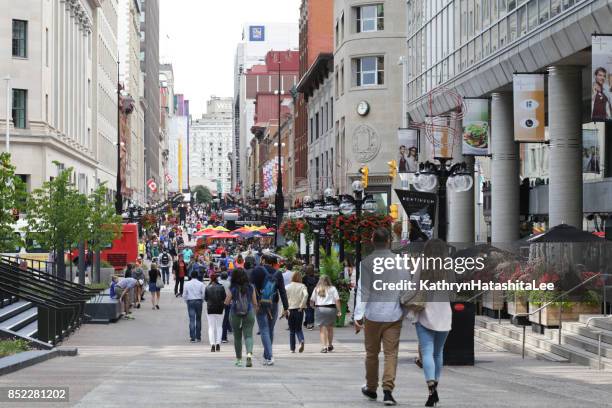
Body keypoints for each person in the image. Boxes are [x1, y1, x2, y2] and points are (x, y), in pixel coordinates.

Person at [354, 227, 410, 406]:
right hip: (393, 315)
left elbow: (363, 290)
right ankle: (387, 391)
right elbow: (406, 289)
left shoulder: (367, 262)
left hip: (373, 315)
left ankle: (371, 388)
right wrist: (406, 311)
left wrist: (358, 315)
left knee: (371, 353)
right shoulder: (400, 262)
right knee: (391, 354)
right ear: (389, 241)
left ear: (372, 241)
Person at [410, 239, 454, 407]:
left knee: (427, 352)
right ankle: (435, 386)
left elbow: (414, 286)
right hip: (444, 314)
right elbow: (452, 289)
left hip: (424, 313)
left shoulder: (423, 262)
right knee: (438, 353)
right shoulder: (447, 264)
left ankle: (431, 389)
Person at [250, 254, 289, 366]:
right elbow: (282, 291)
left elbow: (250, 287)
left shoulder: (256, 270)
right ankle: (267, 355)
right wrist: (286, 307)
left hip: (260, 304)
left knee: (264, 329)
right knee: (270, 329)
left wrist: (253, 303)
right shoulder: (278, 273)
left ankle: (269, 355)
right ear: (273, 263)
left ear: (263, 260)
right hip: (274, 304)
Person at [225, 268, 258, 367]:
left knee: (237, 337)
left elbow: (227, 302)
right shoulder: (250, 287)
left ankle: (239, 360)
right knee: (248, 336)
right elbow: (255, 302)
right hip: (249, 313)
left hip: (235, 314)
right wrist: (254, 312)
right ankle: (248, 355)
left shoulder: (233, 288)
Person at [310, 275, 341, 354]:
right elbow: (337, 300)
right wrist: (339, 311)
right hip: (331, 309)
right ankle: (330, 345)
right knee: (330, 328)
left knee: (322, 329)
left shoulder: (317, 289)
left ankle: (324, 347)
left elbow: (311, 300)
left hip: (320, 309)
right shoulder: (333, 288)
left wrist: (313, 307)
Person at [285, 271, 308, 353]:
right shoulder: (302, 286)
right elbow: (305, 295)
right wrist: (302, 305)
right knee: (298, 328)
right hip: (299, 310)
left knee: (291, 330)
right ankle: (301, 340)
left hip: (290, 310)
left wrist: (283, 311)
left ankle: (292, 348)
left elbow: (285, 300)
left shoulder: (287, 287)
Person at [205, 273, 227, 352]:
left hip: (210, 308)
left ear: (210, 279)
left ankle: (212, 344)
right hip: (220, 308)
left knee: (211, 327)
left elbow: (206, 298)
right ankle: (218, 343)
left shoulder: (207, 287)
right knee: (219, 326)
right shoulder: (221, 287)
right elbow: (224, 297)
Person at [183, 270, 205, 342]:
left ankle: (192, 337)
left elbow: (184, 294)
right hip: (198, 301)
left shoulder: (187, 284)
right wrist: (202, 300)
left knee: (192, 319)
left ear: (191, 276)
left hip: (190, 301)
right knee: (198, 319)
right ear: (197, 275)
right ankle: (198, 337)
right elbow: (203, 294)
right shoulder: (201, 284)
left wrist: (186, 301)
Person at [302, 265, 318, 330]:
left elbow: (302, 286)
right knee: (312, 309)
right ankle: (308, 322)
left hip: (307, 294)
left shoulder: (304, 278)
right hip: (314, 295)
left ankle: (309, 323)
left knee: (307, 309)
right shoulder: (316, 278)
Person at [219, 271, 232, 343]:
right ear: (227, 277)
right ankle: (224, 337)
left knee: (220, 319)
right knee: (226, 318)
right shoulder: (229, 283)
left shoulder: (218, 282)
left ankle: (228, 329)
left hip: (219, 302)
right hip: (228, 302)